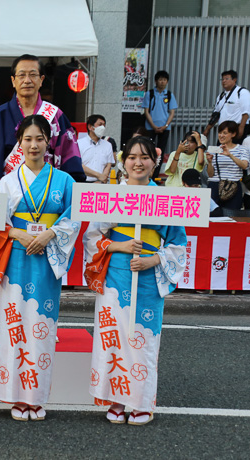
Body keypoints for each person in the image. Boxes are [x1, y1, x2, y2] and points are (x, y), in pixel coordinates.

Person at [84, 136, 187, 426]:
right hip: (115, 276)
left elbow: (178, 243)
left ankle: (141, 402)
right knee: (113, 337)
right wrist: (118, 247)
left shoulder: (166, 198)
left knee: (143, 340)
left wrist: (154, 260)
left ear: (155, 163)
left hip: (148, 278)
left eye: (144, 158)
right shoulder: (111, 196)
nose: (138, 163)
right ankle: (116, 398)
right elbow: (92, 237)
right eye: (132, 157)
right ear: (123, 162)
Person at [0, 115, 80, 421]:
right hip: (17, 256)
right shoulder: (8, 181)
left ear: (49, 141)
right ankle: (15, 395)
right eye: (28, 139)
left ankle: (36, 397)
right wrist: (18, 233)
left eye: (39, 138)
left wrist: (50, 234)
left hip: (47, 256)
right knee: (14, 325)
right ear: (19, 143)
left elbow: (73, 218)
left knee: (41, 327)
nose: (34, 144)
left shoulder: (65, 181)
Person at [0, 54, 85, 192]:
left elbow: (70, 158)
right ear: (13, 81)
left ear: (41, 80)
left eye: (33, 75)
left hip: (49, 195)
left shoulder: (56, 116)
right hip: (10, 196)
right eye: (21, 75)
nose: (27, 80)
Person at [206, 121, 250, 210]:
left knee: (232, 217)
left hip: (233, 186)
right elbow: (210, 174)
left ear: (233, 134)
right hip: (214, 185)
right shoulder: (214, 150)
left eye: (225, 133)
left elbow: (244, 165)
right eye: (220, 132)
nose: (221, 135)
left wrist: (230, 155)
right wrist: (210, 162)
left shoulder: (242, 149)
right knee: (212, 216)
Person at [203, 70, 250, 141]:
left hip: (236, 128)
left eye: (226, 79)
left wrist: (241, 128)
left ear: (234, 80)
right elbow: (216, 114)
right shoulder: (221, 95)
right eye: (222, 79)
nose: (224, 81)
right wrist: (207, 129)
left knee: (234, 151)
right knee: (221, 150)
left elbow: (246, 113)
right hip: (223, 129)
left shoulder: (242, 92)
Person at [141, 70, 177, 156]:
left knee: (161, 150)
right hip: (150, 127)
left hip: (165, 128)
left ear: (167, 81)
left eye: (164, 80)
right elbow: (146, 111)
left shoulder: (169, 95)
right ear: (156, 81)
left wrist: (166, 126)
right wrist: (153, 126)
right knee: (148, 149)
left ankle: (157, 170)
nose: (162, 82)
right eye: (160, 79)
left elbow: (172, 113)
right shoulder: (149, 94)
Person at [79, 114, 114, 184]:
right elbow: (78, 165)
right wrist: (98, 175)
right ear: (90, 127)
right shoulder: (79, 143)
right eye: (100, 124)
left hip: (101, 183)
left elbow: (108, 164)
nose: (103, 127)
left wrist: (102, 179)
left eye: (104, 125)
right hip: (82, 182)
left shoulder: (108, 145)